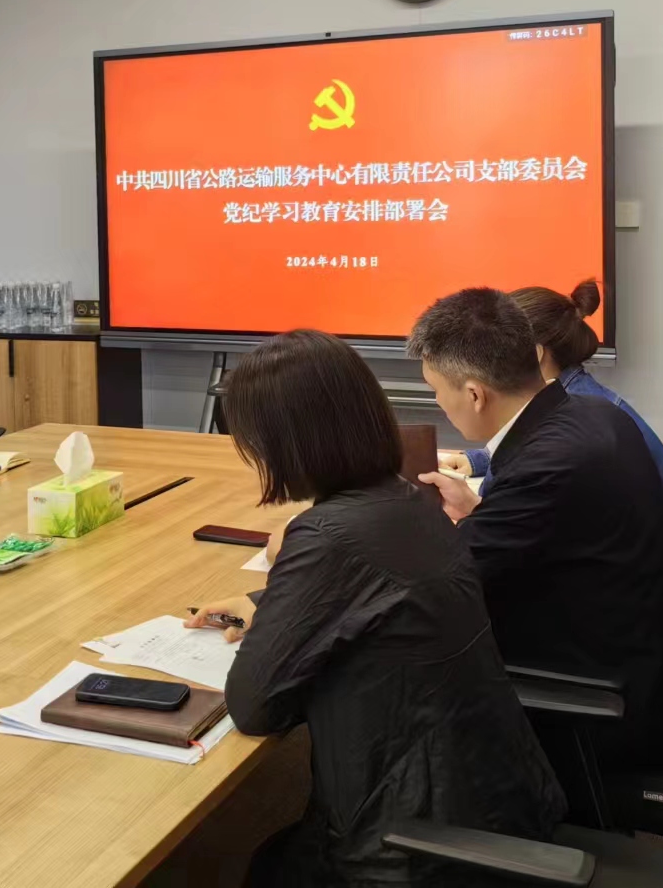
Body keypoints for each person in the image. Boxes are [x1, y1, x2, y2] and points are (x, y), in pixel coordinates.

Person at [186, 329, 564, 887]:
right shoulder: (409, 499)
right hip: (490, 798)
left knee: (258, 867)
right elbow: (379, 594)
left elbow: (255, 706)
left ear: (284, 443)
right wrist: (272, 602)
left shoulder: (327, 534)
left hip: (410, 846)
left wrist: (284, 609)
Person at [409, 288, 663, 768]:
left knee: (403, 656)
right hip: (634, 651)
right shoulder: (591, 413)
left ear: (474, 394)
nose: (438, 402)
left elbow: (440, 586)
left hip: (597, 701)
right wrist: (481, 516)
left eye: (436, 390)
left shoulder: (547, 465)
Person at [443, 280, 663, 563]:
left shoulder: (570, 416)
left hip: (656, 562)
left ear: (535, 354)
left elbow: (508, 506)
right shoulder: (578, 398)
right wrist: (478, 462)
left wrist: (476, 510)